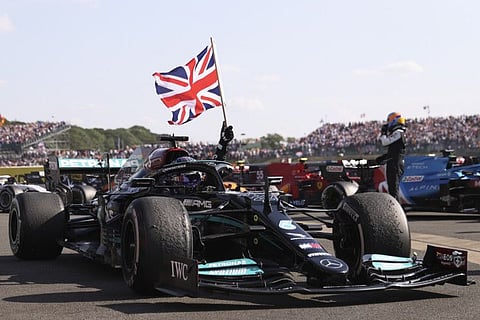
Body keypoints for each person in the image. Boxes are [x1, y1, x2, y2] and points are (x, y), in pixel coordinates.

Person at [377, 112, 407, 201]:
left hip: (395, 164)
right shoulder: (399, 133)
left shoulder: (398, 132)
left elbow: (384, 142)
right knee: (392, 188)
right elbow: (395, 150)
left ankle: (396, 210)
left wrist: (383, 133)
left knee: (393, 189)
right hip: (394, 162)